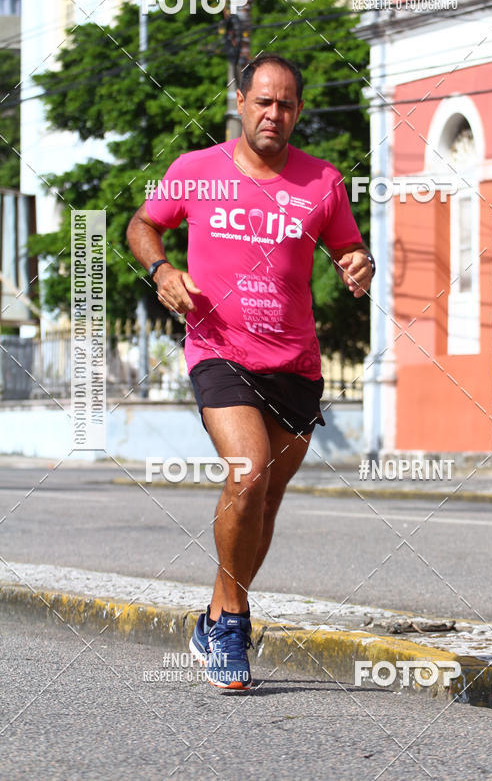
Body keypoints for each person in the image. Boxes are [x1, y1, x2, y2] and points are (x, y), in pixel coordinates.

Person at [126, 53, 374, 691]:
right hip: (219, 349)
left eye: (286, 104)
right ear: (239, 102)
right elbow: (143, 224)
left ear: (299, 110)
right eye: (263, 101)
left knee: (264, 499)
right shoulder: (196, 171)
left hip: (295, 363)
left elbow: (349, 246)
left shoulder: (323, 181)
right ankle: (234, 625)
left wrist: (359, 263)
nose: (274, 113)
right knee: (249, 470)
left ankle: (213, 617)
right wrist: (161, 270)